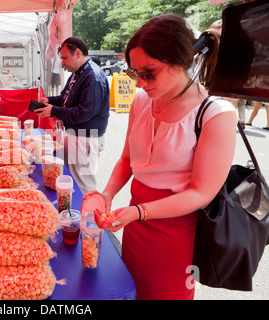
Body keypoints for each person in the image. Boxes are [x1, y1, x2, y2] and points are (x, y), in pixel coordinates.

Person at [84, 14, 237, 300]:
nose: (140, 83)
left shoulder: (215, 114)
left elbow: (201, 193)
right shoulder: (142, 101)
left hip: (176, 231)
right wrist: (107, 195)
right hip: (134, 222)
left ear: (179, 61)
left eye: (148, 72)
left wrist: (139, 212)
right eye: (135, 73)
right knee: (129, 290)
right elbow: (127, 159)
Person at [35, 36, 110, 194]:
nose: (62, 62)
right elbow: (64, 98)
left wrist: (53, 111)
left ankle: (88, 216)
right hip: (74, 136)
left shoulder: (92, 77)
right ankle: (74, 215)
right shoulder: (78, 73)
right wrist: (49, 100)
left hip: (85, 138)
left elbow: (85, 113)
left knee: (83, 186)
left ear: (77, 53)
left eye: (64, 58)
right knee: (71, 181)